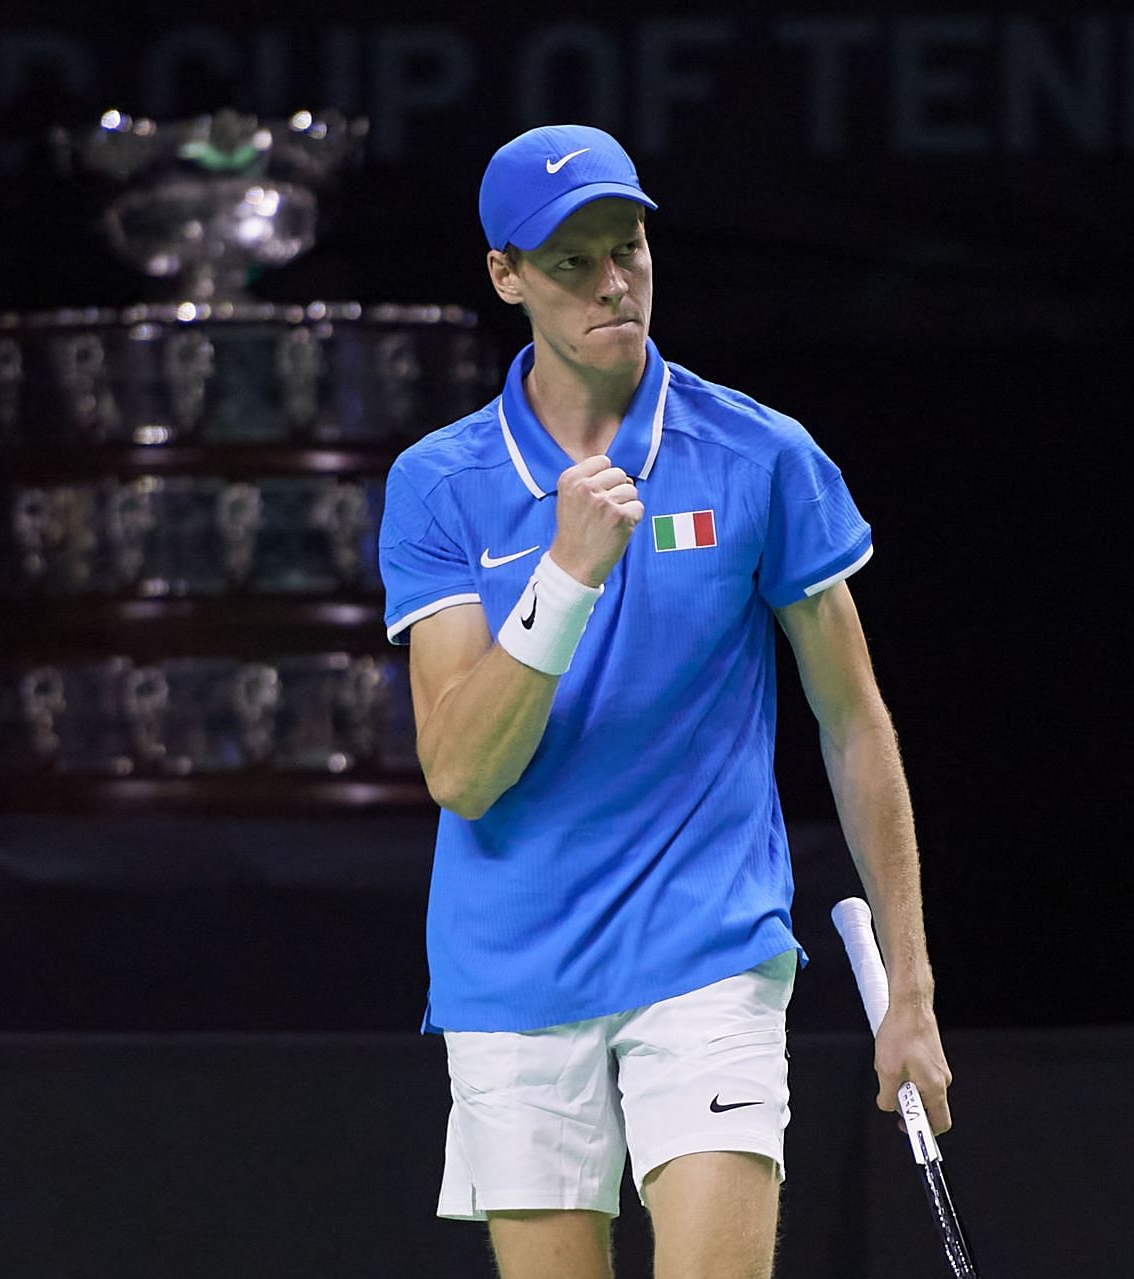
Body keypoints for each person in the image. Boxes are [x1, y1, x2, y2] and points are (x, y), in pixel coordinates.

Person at [377, 124, 953, 1278]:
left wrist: (914, 987)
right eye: (572, 261)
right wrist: (566, 574)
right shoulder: (439, 484)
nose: (612, 282)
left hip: (708, 950)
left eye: (627, 247)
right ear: (506, 277)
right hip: (513, 968)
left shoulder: (760, 455)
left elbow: (855, 719)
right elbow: (462, 773)